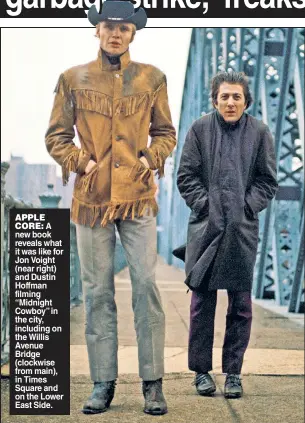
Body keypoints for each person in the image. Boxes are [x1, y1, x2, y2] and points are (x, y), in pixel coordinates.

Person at [45, 0, 176, 415]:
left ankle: (152, 384)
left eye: (124, 27)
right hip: (92, 200)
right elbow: (56, 136)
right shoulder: (72, 78)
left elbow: (166, 133)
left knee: (146, 289)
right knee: (97, 292)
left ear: (133, 33)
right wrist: (79, 162)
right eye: (109, 26)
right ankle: (103, 383)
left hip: (138, 198)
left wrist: (147, 159)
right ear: (97, 30)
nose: (116, 33)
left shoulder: (152, 78)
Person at [175, 71, 278, 399]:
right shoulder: (199, 129)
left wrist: (246, 208)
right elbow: (186, 175)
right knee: (201, 304)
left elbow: (267, 180)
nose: (230, 102)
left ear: (246, 101)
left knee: (241, 307)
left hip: (241, 232)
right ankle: (201, 373)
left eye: (236, 97)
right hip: (206, 230)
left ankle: (233, 373)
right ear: (214, 100)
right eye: (224, 96)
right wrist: (206, 207)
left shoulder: (260, 132)